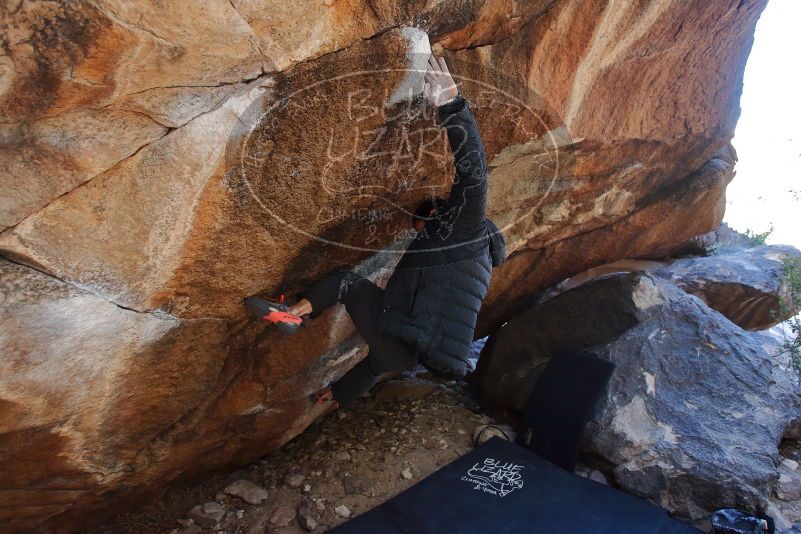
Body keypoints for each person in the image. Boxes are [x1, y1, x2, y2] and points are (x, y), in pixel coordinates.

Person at [245, 54, 492, 410]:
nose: (419, 234)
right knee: (380, 361)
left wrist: (452, 105)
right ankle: (334, 397)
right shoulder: (478, 256)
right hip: (411, 353)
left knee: (346, 283)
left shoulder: (463, 224)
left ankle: (295, 314)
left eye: (419, 227)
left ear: (436, 214)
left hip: (409, 336)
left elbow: (475, 175)